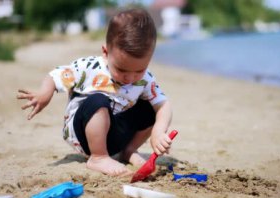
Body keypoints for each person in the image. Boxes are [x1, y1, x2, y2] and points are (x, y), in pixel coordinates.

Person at [17, 8, 173, 176]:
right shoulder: (89, 67)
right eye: (121, 69)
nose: (130, 78)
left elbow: (163, 105)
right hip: (83, 134)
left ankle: (128, 150)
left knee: (150, 107)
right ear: (106, 53)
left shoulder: (145, 79)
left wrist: (158, 131)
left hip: (115, 135)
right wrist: (44, 93)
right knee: (98, 100)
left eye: (139, 70)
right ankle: (98, 157)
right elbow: (55, 76)